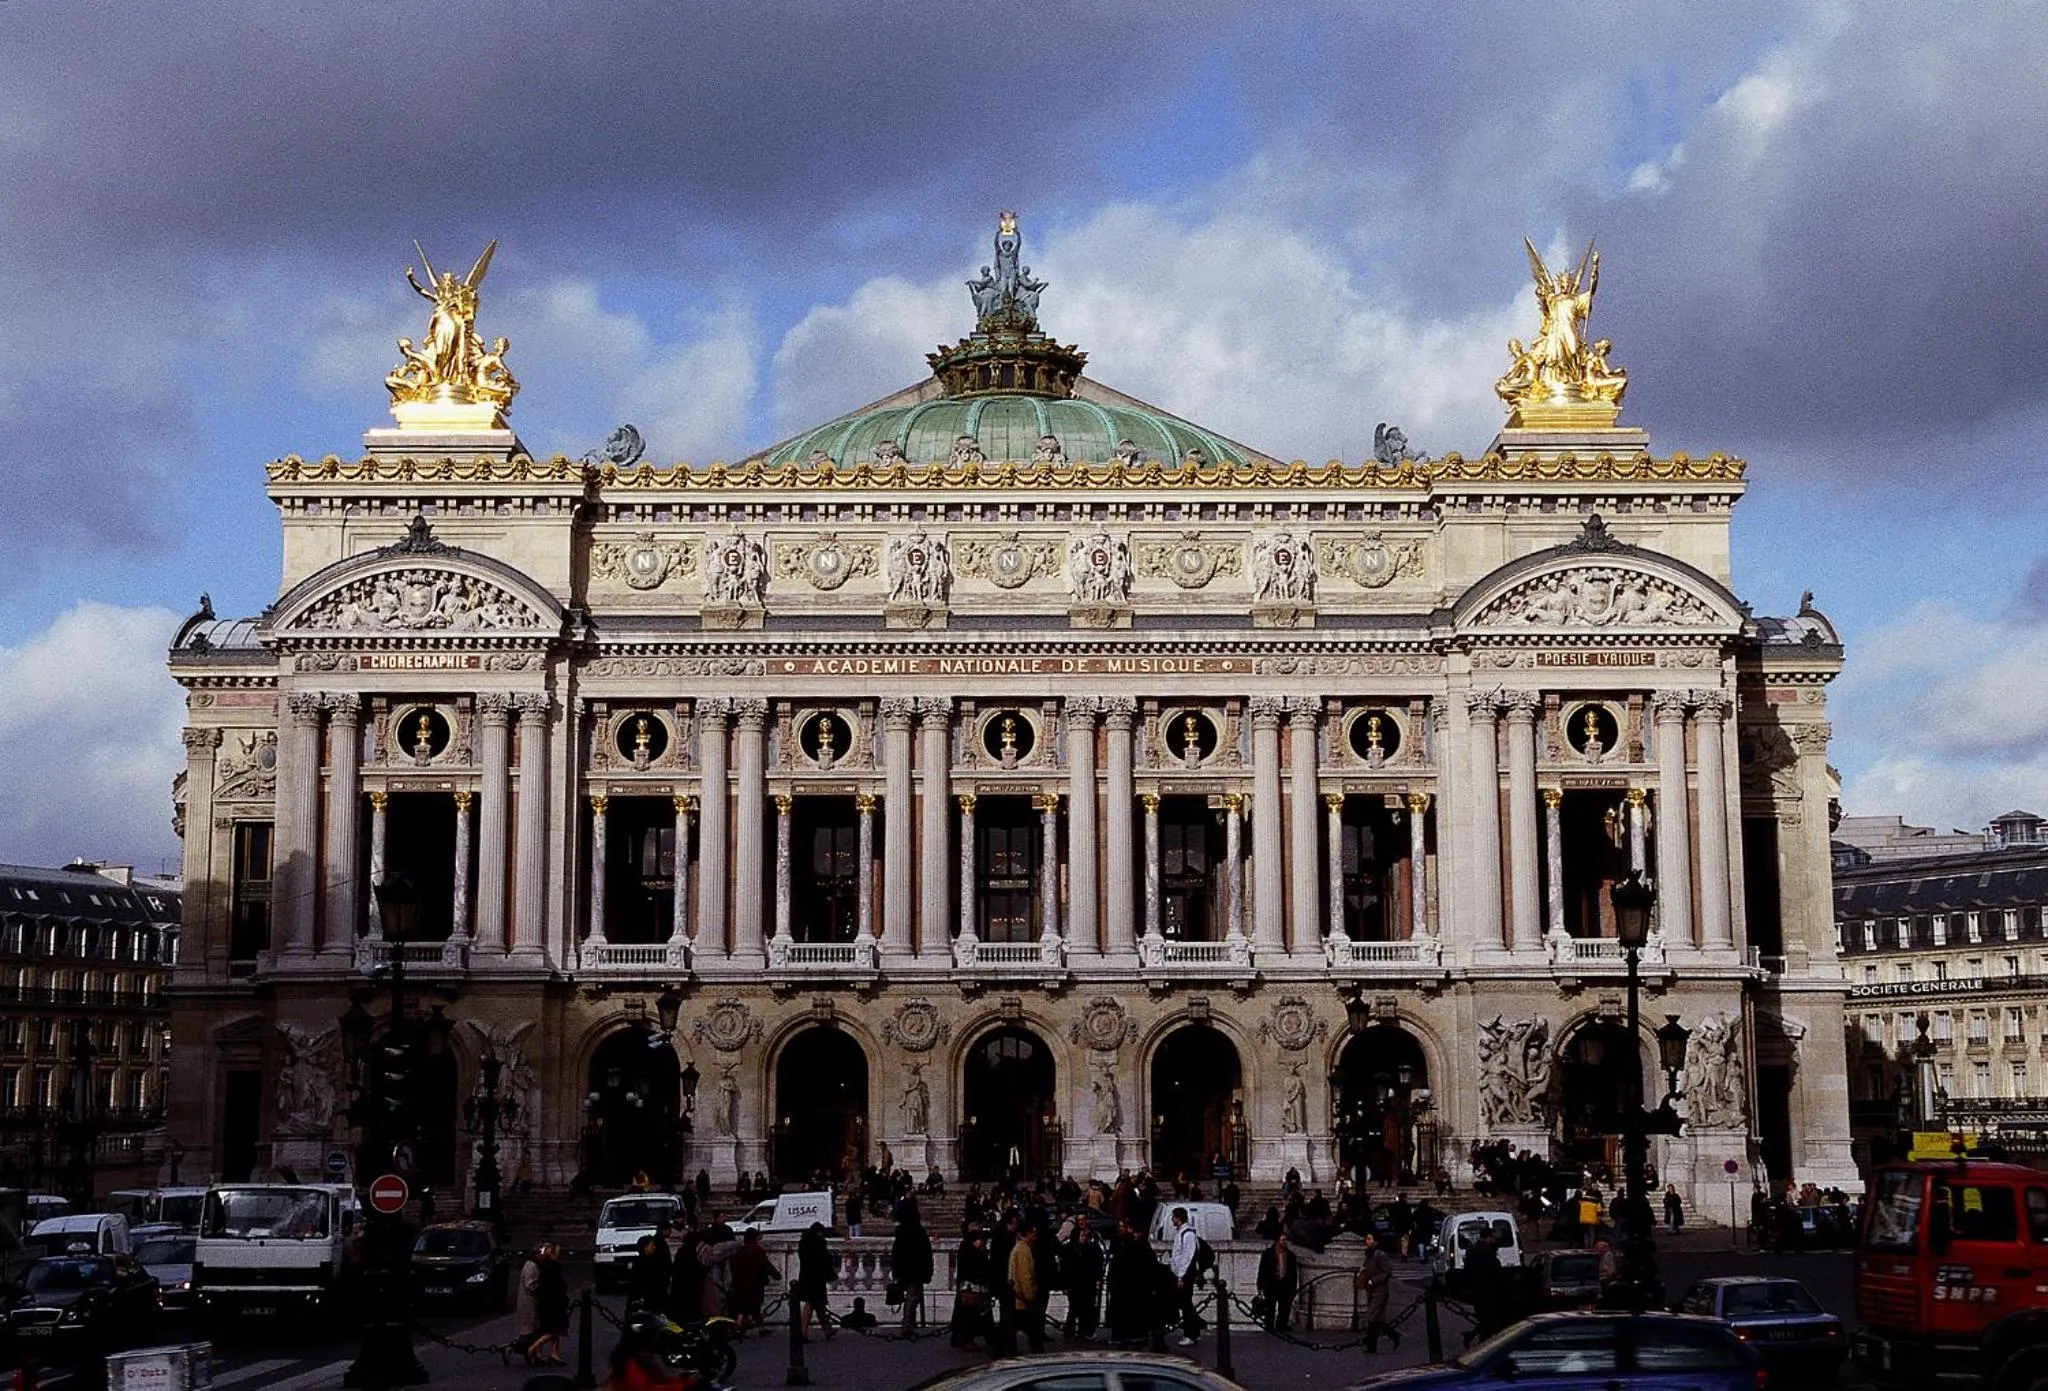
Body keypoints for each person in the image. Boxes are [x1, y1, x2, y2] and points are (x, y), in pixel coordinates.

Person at [890, 1199, 935, 1335]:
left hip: (905, 1268)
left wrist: (896, 1270)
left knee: (912, 1296)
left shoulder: (902, 1232)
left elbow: (896, 1253)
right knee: (913, 1296)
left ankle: (909, 1322)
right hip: (915, 1269)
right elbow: (925, 1252)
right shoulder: (917, 1231)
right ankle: (907, 1324)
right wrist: (927, 1271)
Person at [1059, 1214, 1103, 1342]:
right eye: (1079, 1220)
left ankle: (1086, 1330)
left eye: (1083, 1220)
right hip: (1076, 1279)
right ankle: (1070, 1331)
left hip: (1089, 1279)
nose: (1081, 1222)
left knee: (1088, 1307)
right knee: (1074, 1307)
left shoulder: (1094, 1237)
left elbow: (1098, 1256)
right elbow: (1067, 1255)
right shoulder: (1073, 1237)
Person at [1356, 1231, 1401, 1353]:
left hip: (1379, 1290)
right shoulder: (1369, 1254)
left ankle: (1371, 1343)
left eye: (1369, 1239)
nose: (1367, 1241)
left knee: (1371, 1316)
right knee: (1378, 1319)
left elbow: (1387, 1272)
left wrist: (1374, 1280)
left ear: (1376, 1241)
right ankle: (1392, 1336)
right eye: (1367, 1238)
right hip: (1371, 1289)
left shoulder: (1380, 1255)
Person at [727, 1229, 777, 1333]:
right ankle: (753, 1328)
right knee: (754, 1308)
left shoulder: (739, 1251)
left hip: (740, 1285)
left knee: (742, 1308)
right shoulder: (756, 1251)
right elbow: (766, 1265)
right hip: (754, 1284)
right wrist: (776, 1275)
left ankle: (741, 1327)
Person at [1166, 1206, 1201, 1347]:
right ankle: (1195, 1331)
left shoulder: (1188, 1235)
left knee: (1185, 1304)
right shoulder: (1183, 1233)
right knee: (1186, 1304)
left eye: (1173, 1217)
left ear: (1178, 1218)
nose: (1172, 1220)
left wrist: (1181, 1276)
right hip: (1181, 1273)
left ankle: (1190, 1334)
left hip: (1185, 1275)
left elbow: (1187, 1256)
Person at [795, 1221, 836, 1340]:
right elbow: (825, 1261)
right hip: (817, 1278)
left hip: (806, 1277)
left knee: (818, 1304)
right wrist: (831, 1275)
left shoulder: (803, 1243)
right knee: (812, 1303)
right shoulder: (819, 1243)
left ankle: (827, 1329)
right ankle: (802, 1332)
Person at [532, 1243, 570, 1367]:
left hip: (550, 1302)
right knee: (555, 1329)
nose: (560, 1254)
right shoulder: (552, 1268)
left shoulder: (546, 1266)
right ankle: (534, 1347)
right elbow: (556, 1287)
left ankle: (554, 1353)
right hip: (553, 1304)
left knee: (555, 1329)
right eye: (558, 1251)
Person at [1010, 1224, 1046, 1353]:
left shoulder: (1020, 1248)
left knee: (1021, 1325)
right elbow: (1025, 1275)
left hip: (1020, 1297)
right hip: (1023, 1298)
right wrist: (1029, 1295)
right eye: (1034, 1234)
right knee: (1031, 1326)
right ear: (1028, 1234)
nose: (1036, 1237)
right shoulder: (1024, 1250)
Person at [1255, 1231, 1298, 1335]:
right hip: (1271, 1284)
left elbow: (1293, 1273)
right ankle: (1269, 1325)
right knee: (1271, 1306)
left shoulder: (1290, 1255)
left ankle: (1281, 1325)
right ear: (1277, 1241)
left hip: (1285, 1285)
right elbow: (1262, 1270)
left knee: (1284, 1306)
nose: (1284, 1242)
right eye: (1282, 1240)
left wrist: (1293, 1287)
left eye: (1285, 1240)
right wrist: (1260, 1285)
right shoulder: (1268, 1254)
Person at [508, 1246, 542, 1366]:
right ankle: (516, 1348)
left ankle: (534, 1353)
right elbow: (530, 1285)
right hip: (529, 1301)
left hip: (532, 1300)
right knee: (529, 1331)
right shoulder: (531, 1266)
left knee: (534, 1330)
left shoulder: (533, 1265)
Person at [628, 1232, 672, 1315]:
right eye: (651, 1246)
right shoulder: (651, 1263)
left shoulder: (638, 1262)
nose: (654, 1248)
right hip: (651, 1300)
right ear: (645, 1248)